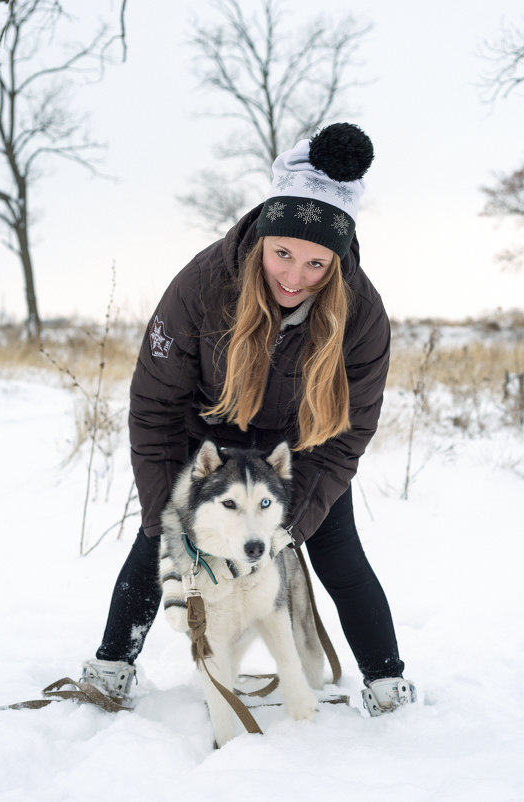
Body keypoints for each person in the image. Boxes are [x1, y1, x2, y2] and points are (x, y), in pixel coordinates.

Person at [82, 122, 416, 717]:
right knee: (157, 544)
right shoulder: (202, 285)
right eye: (283, 253)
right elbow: (155, 407)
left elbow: (347, 433)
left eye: (316, 263)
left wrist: (297, 517)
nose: (294, 276)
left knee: (338, 552)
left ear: (337, 261)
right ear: (263, 234)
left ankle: (387, 684)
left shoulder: (362, 314)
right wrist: (171, 512)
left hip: (299, 450)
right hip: (207, 440)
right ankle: (111, 668)